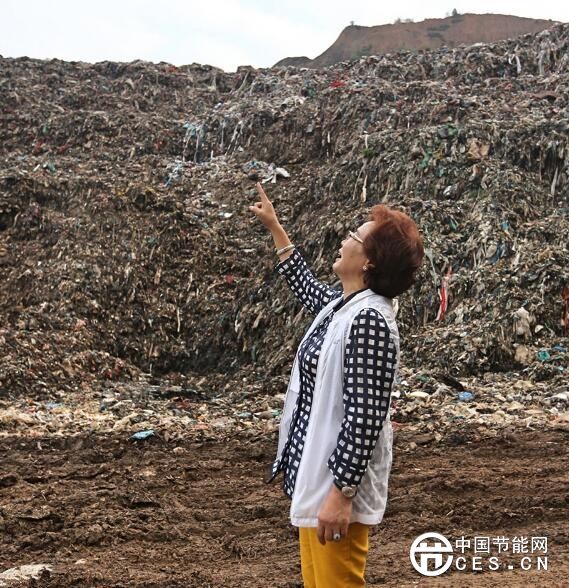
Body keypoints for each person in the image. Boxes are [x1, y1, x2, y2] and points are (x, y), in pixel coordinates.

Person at [249, 183, 424, 587]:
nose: (344, 240)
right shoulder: (342, 307)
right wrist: (275, 227)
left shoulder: (370, 321)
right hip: (319, 478)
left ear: (369, 262)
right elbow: (305, 287)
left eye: (354, 236)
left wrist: (341, 493)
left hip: (335, 489)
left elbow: (366, 416)